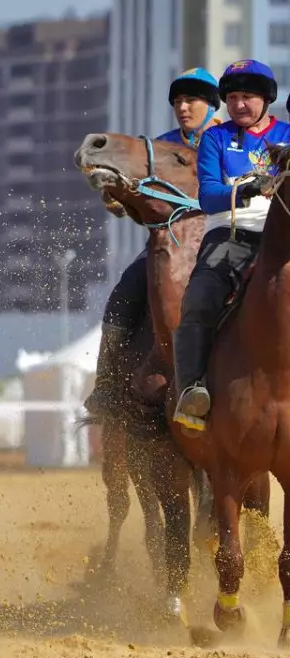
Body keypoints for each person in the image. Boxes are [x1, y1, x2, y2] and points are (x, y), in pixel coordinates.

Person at [83, 68, 222, 416]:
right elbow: (137, 203)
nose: (183, 107)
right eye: (178, 101)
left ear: (211, 104)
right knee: (123, 293)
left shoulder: (229, 140)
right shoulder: (159, 147)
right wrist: (119, 198)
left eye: (191, 99)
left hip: (224, 246)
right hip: (169, 250)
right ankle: (107, 386)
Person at [172, 59, 290, 433]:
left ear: (266, 99)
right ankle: (192, 391)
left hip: (284, 237)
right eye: (234, 97)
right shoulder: (216, 138)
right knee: (199, 297)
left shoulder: (288, 134)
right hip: (231, 235)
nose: (240, 104)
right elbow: (208, 197)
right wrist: (251, 188)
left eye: (249, 96)